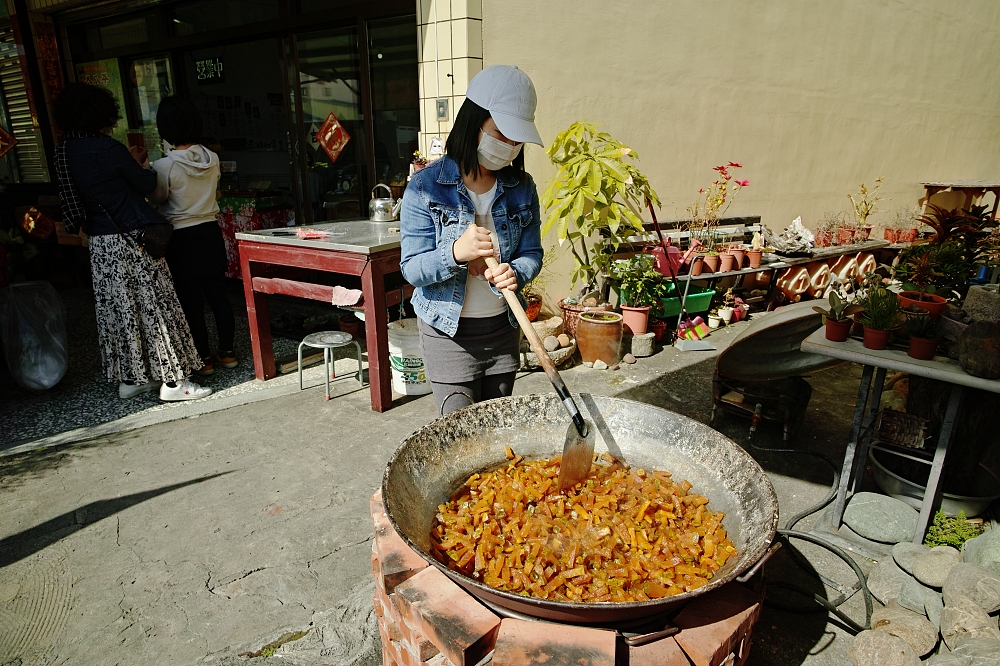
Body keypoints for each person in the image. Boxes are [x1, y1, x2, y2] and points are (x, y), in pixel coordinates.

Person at [399, 65, 544, 415]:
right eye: (501, 134)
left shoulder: (521, 188)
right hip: (448, 333)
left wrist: (517, 272)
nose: (509, 146)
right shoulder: (425, 187)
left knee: (496, 432)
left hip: (502, 327)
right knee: (460, 437)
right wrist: (455, 253)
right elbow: (412, 269)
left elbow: (531, 252)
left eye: (516, 139)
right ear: (473, 123)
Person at [53, 83, 211, 401]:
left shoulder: (62, 152)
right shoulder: (107, 148)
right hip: (134, 240)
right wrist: (136, 161)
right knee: (157, 307)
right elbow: (146, 183)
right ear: (101, 113)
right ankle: (174, 382)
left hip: (100, 245)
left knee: (121, 311)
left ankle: (132, 378)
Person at [148, 96, 236, 376]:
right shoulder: (213, 159)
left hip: (180, 237)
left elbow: (158, 198)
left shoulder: (164, 166)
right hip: (210, 232)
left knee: (191, 302)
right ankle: (228, 353)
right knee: (218, 297)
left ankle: (204, 360)